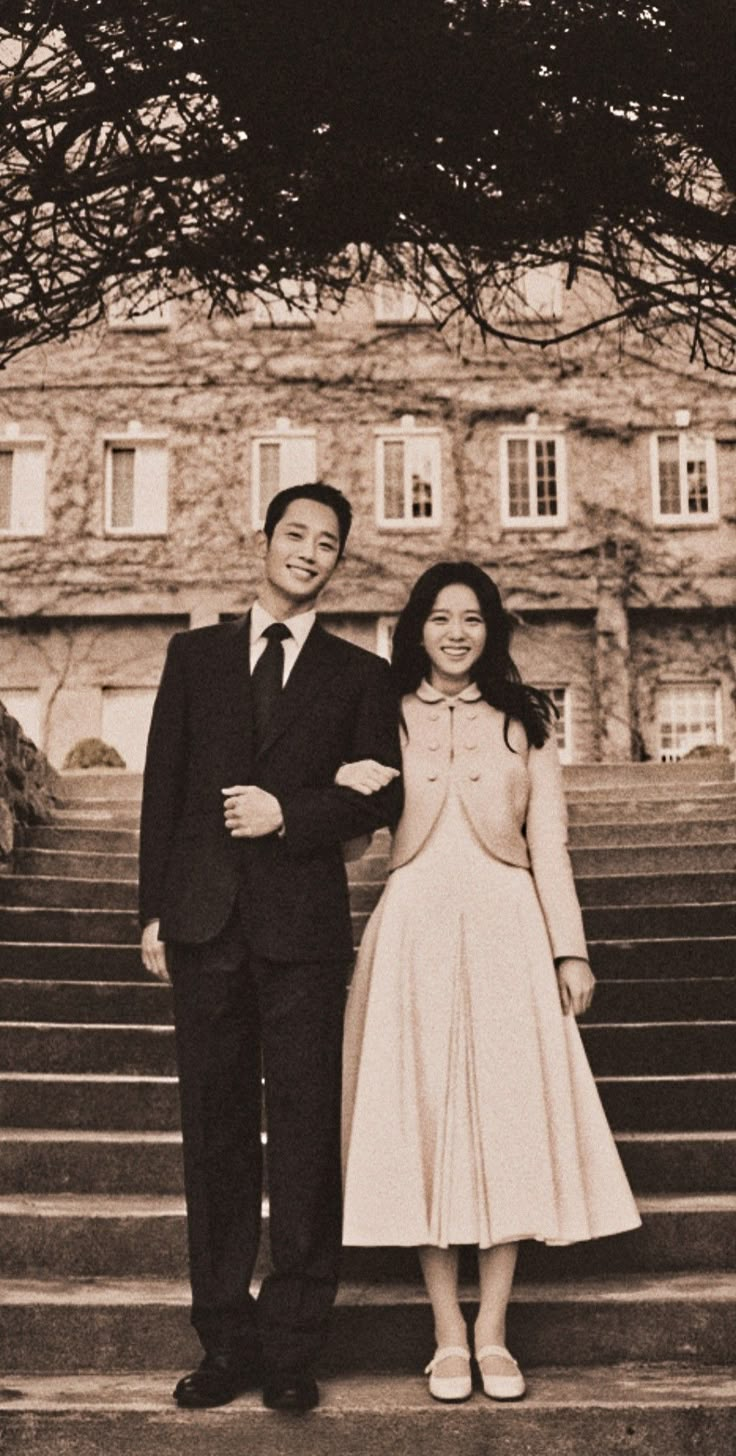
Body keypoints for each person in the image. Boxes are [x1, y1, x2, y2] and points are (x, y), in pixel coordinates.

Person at [339, 561, 640, 1404]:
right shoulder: (383, 712)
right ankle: (445, 1335)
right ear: (417, 630)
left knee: (506, 1121)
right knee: (422, 1119)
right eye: (440, 619)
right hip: (414, 924)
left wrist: (568, 951)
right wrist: (335, 786)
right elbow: (354, 841)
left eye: (471, 619)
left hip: (509, 925)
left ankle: (494, 1334)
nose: (456, 634)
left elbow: (550, 844)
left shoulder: (525, 721)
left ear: (490, 628)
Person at [138, 483, 402, 1413]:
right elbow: (162, 790)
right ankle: (225, 1341)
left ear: (338, 561)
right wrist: (151, 913)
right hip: (204, 926)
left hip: (302, 938)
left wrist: (293, 811)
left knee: (301, 1140)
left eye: (327, 543)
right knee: (212, 1140)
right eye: (296, 534)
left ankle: (292, 1346)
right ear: (267, 541)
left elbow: (381, 799)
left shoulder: (359, 674)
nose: (309, 553)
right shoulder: (193, 655)